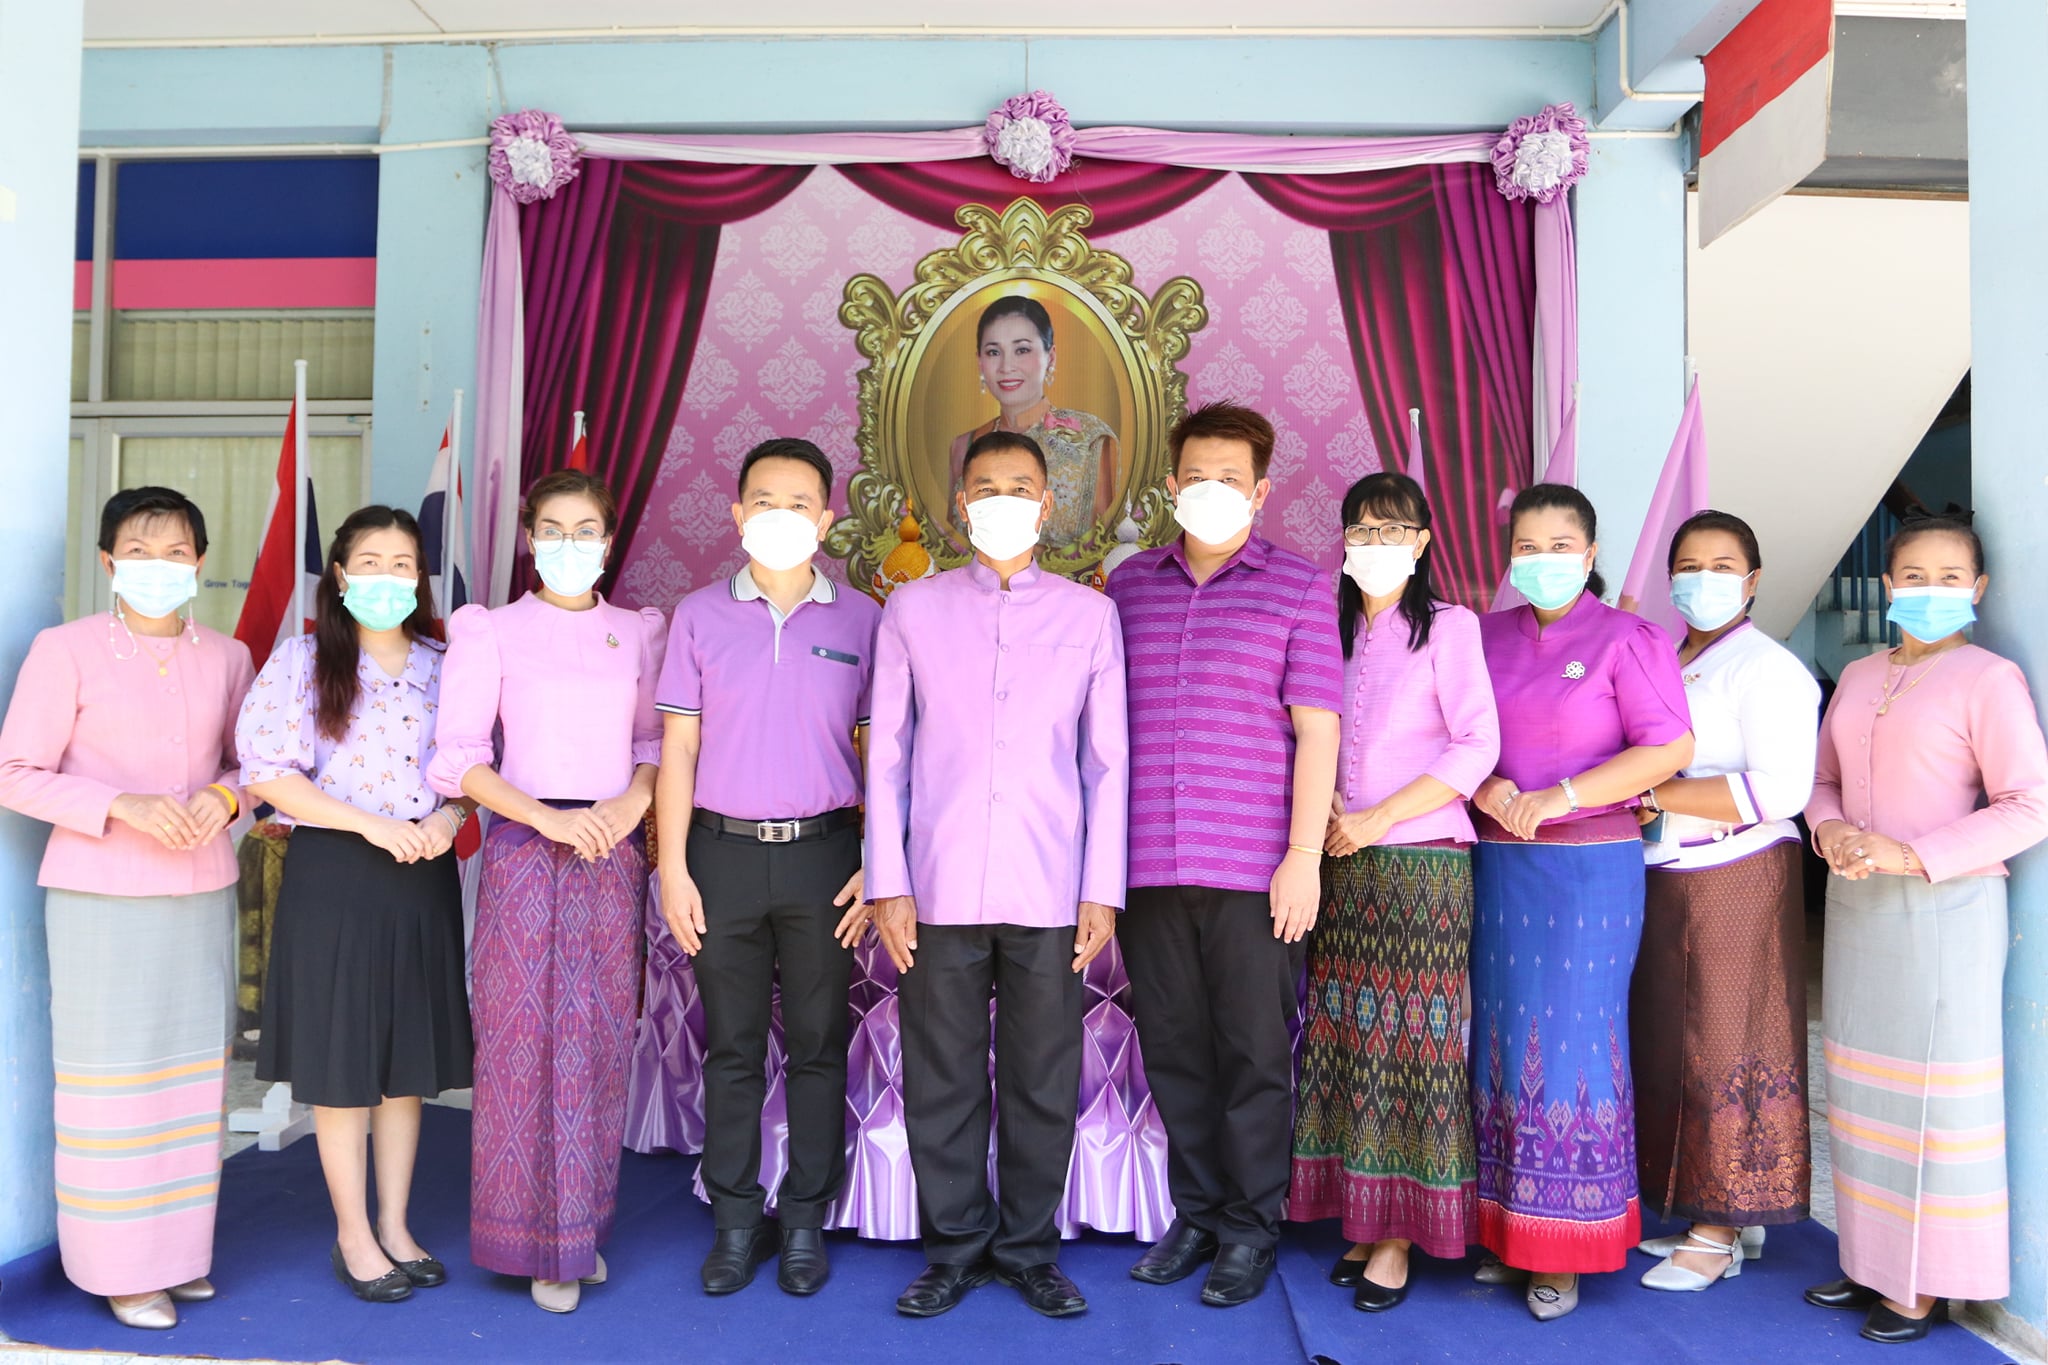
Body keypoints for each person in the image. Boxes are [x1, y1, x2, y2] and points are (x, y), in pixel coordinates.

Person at [867, 429, 1127, 1319]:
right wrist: (888, 879)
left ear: (1048, 504)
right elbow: (886, 757)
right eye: (986, 486)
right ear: (960, 503)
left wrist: (1101, 888)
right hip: (935, 881)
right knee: (941, 1071)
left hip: (1050, 881)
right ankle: (953, 1248)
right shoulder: (913, 609)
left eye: (1021, 486)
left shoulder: (1089, 617)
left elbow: (1106, 763)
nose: (1003, 500)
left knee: (1041, 1075)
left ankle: (1027, 1249)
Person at [0, 488, 253, 1331]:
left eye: (176, 551)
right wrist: (120, 804)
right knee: (113, 1084)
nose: (158, 566)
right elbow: (15, 772)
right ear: (109, 561)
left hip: (202, 890)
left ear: (200, 561)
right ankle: (119, 1268)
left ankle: (178, 1257)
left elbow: (256, 766)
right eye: (138, 551)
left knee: (193, 1078)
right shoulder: (65, 650)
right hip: (100, 896)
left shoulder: (229, 656)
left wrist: (226, 796)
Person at [1107, 401, 1341, 1309]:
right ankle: (1199, 1212)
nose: (1212, 491)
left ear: (1261, 490)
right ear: (1172, 485)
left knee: (1252, 1051)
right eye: (1197, 477)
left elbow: (1317, 731)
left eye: (1230, 479)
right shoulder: (1129, 585)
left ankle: (1250, 1226)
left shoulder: (1299, 588)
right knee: (1174, 1049)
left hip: (1255, 869)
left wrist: (1302, 855)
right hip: (1148, 865)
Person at [1803, 516, 2048, 1344]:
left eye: (1951, 577)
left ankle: (1925, 1285)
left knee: (1936, 1098)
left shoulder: (1990, 679)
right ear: (1888, 586)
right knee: (1861, 1090)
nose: (1931, 590)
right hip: (1857, 904)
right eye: (1914, 575)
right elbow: (1821, 781)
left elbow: (2029, 805)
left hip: (1947, 909)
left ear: (1977, 589)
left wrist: (1911, 854)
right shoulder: (1859, 674)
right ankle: (1870, 1260)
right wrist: (1832, 830)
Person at [426, 470, 666, 1314]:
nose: (570, 544)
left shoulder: (638, 631)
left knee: (599, 1038)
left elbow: (653, 741)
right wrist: (545, 818)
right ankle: (530, 1242)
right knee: (521, 1040)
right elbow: (459, 756)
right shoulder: (490, 629)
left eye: (586, 529)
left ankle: (579, 1230)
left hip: (610, 847)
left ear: (609, 539)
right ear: (530, 539)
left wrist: (628, 807)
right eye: (553, 530)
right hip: (526, 848)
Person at [655, 438, 878, 1297]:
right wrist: (673, 867)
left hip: (826, 855)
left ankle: (805, 1220)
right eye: (764, 501)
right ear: (738, 512)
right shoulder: (699, 616)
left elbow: (883, 753)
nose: (781, 516)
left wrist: (879, 860)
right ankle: (736, 1219)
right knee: (733, 1046)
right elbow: (678, 748)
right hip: (721, 856)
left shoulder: (863, 619)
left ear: (827, 518)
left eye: (800, 503)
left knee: (820, 1045)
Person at [237, 506, 475, 1305]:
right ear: (340, 575)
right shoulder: (303, 661)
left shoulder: (448, 665)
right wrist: (371, 825)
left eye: (402, 563)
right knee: (343, 1064)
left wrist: (448, 818)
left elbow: (478, 768)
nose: (385, 577)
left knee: (405, 1065)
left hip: (422, 873)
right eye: (369, 561)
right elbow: (268, 773)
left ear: (420, 577)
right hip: (335, 872)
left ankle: (397, 1225)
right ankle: (353, 1234)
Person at [1468, 483, 1693, 1321]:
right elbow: (1453, 732)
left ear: (1591, 554)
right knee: (1497, 1040)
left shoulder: (1627, 638)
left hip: (1588, 870)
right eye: (1526, 547)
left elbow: (1669, 746)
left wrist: (1563, 795)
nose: (1542, 561)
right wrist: (1484, 784)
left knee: (1570, 1043)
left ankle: (1565, 1244)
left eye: (1560, 546)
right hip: (1496, 863)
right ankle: (1507, 1227)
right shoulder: (1481, 636)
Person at [1288, 472, 1498, 1314]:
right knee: (1346, 1033)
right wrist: (1331, 818)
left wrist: (1379, 817)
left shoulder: (1450, 627)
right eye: (1362, 530)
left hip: (1421, 863)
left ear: (1422, 541)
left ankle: (1400, 1235)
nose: (1376, 544)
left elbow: (1477, 742)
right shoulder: (1325, 627)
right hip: (1339, 861)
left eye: (1393, 529)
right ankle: (1361, 1212)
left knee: (1412, 1043)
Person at [1629, 511, 1817, 1293]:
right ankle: (1710, 1211)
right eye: (1688, 565)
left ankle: (1720, 1230)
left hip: (1739, 871)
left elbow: (1783, 787)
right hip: (1669, 870)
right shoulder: (1669, 657)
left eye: (1722, 565)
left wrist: (1658, 792)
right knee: (1679, 1044)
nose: (1702, 579)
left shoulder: (1767, 668)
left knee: (1731, 1046)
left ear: (1753, 579)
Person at [947, 296, 1120, 547]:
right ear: (980, 362)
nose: (1006, 366)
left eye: (1022, 350)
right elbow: (955, 546)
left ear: (1050, 356)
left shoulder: (1092, 439)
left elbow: (1108, 545)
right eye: (994, 352)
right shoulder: (964, 445)